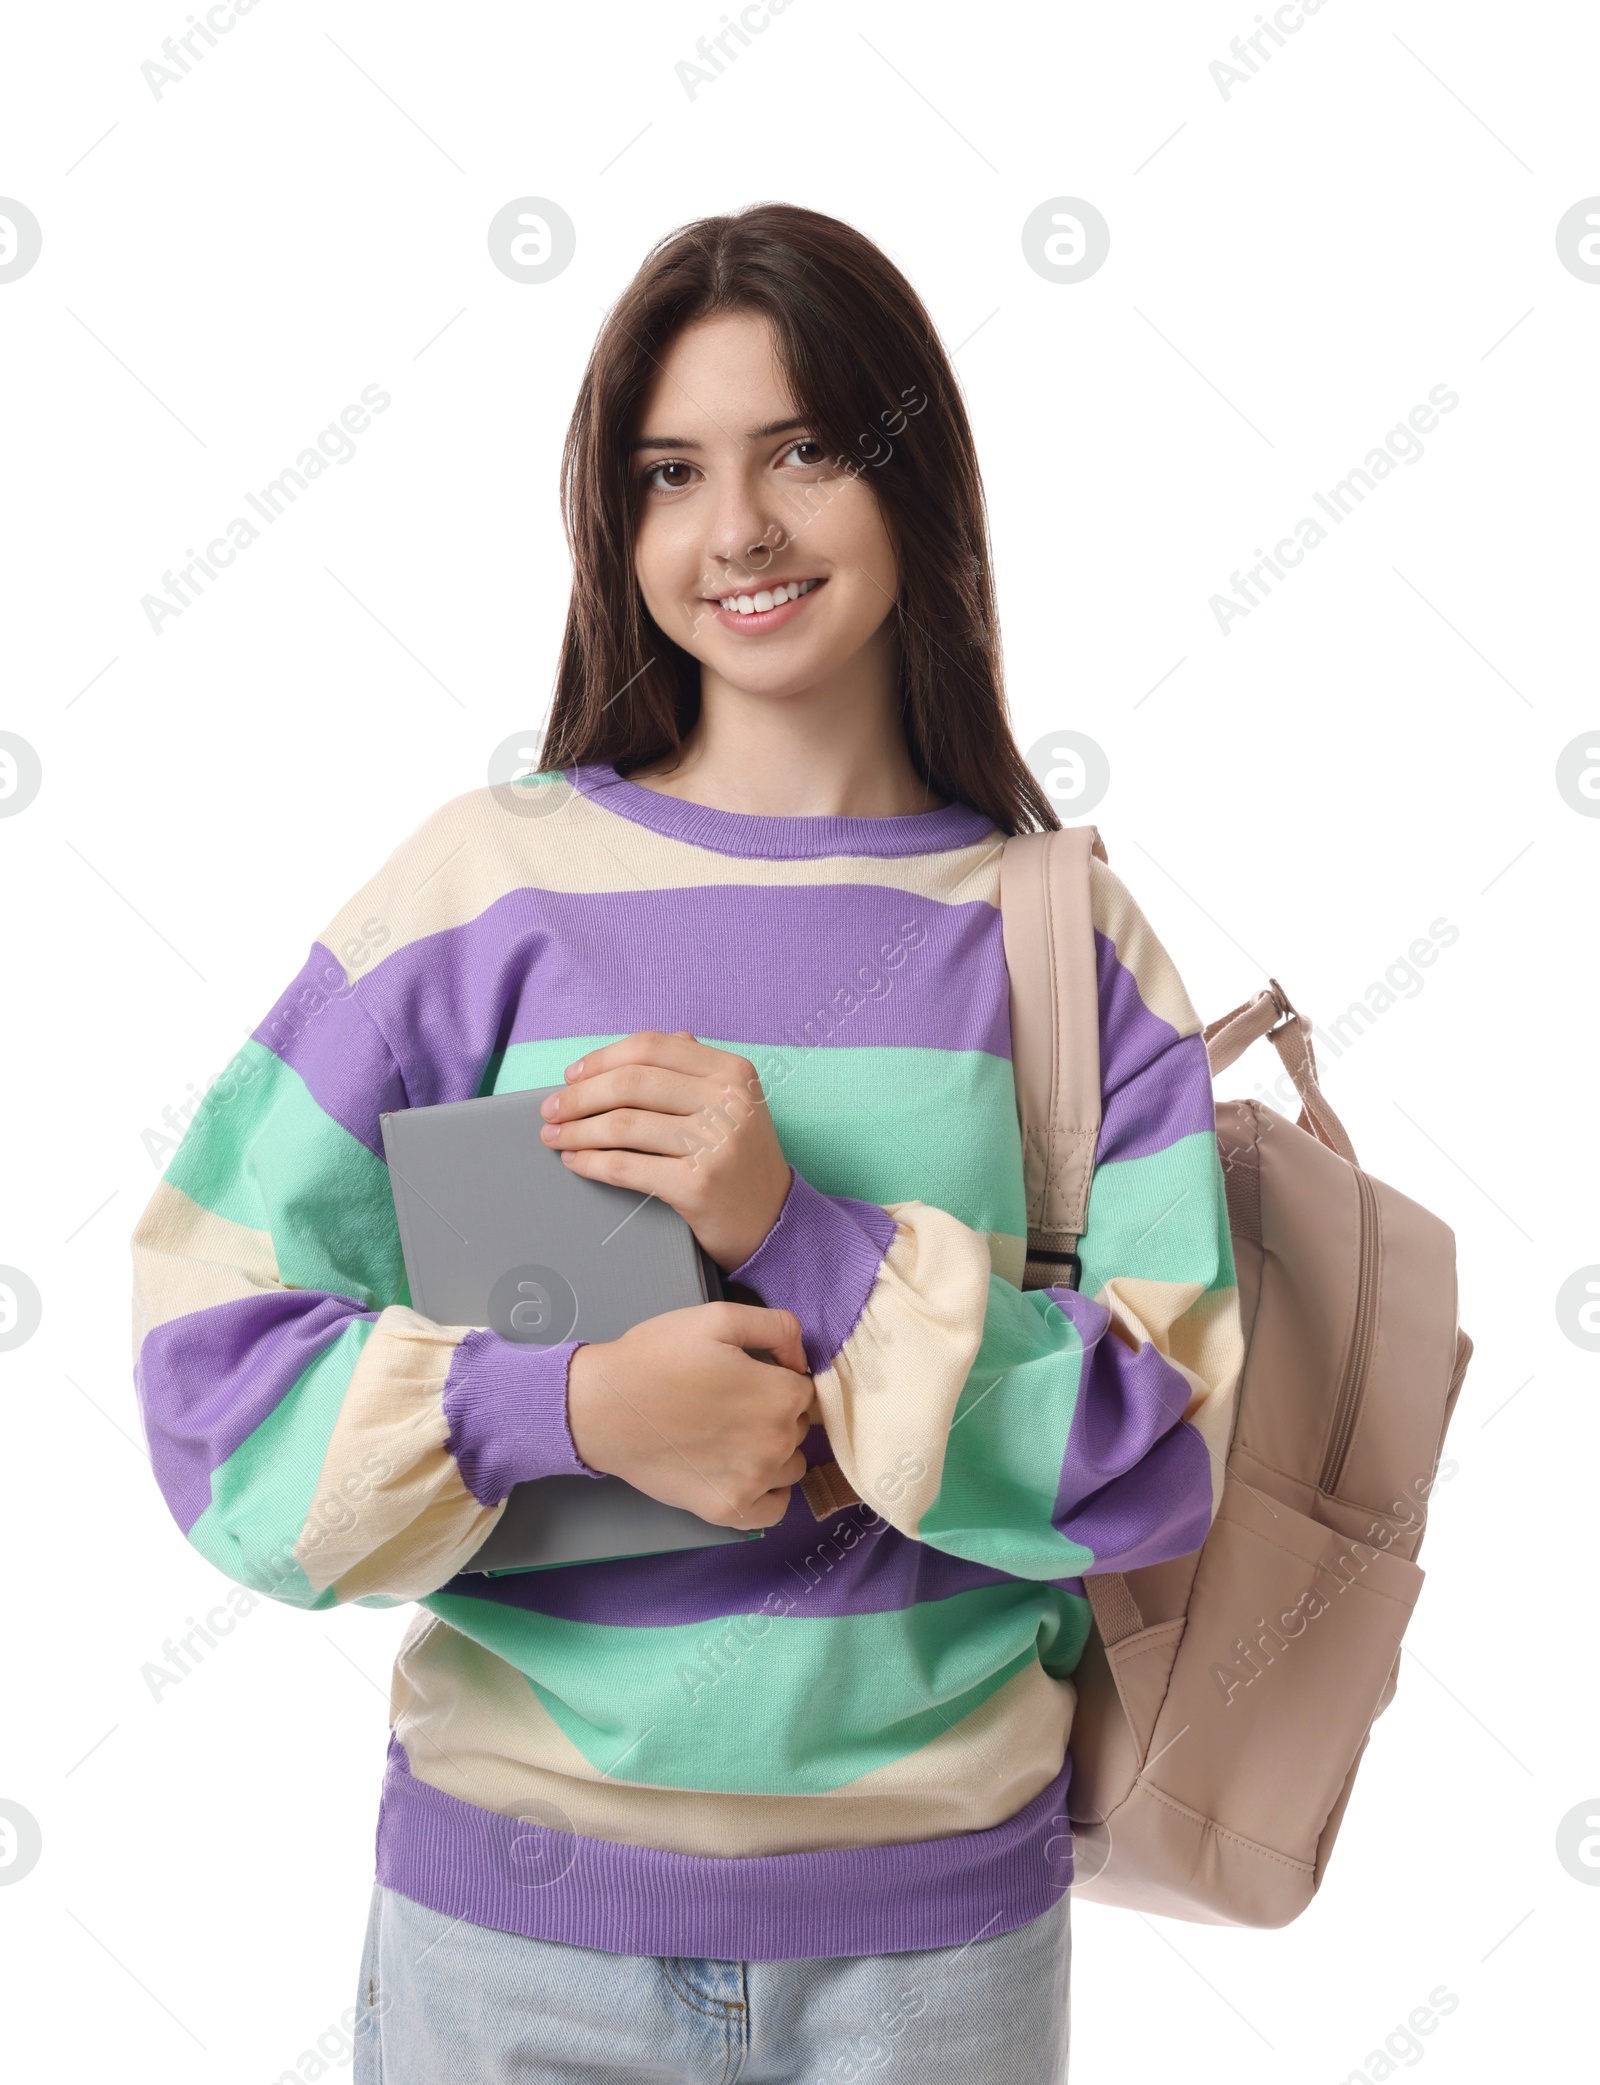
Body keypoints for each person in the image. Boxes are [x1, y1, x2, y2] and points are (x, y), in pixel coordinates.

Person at [130, 202, 1242, 2082]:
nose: (736, 529)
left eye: (803, 447)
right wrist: (556, 1410)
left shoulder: (1060, 943)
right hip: (510, 1949)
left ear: (917, 480)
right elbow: (203, 1376)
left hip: (932, 1963)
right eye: (671, 471)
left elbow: (1157, 1464)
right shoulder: (480, 894)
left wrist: (802, 1232)